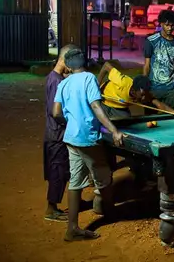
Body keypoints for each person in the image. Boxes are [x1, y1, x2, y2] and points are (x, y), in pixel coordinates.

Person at [52, 47, 125, 242]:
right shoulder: (89, 78)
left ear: (68, 66)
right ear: (85, 63)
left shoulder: (64, 83)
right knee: (103, 174)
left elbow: (56, 112)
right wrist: (114, 130)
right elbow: (95, 106)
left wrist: (70, 123)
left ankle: (72, 228)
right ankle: (108, 211)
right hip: (87, 137)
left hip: (71, 138)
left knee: (75, 181)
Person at [43, 44, 77, 222]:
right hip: (57, 134)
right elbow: (55, 112)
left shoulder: (54, 77)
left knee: (60, 170)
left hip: (53, 133)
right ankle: (51, 209)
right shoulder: (56, 82)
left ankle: (55, 205)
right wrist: (71, 123)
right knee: (58, 170)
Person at [97, 61, 174, 120]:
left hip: (119, 107)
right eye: (142, 95)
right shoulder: (122, 82)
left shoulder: (143, 93)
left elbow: (160, 105)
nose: (144, 98)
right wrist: (96, 86)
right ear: (133, 91)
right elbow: (106, 65)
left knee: (127, 121)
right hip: (102, 100)